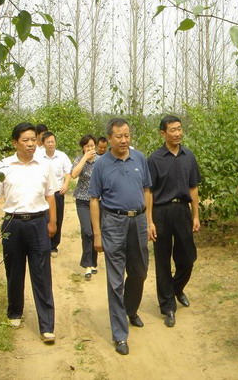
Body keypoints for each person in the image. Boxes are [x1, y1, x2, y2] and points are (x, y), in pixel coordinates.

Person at [0, 122, 58, 344]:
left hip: (38, 223)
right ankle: (14, 312)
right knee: (14, 271)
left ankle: (47, 326)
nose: (30, 144)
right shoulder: (3, 166)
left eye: (33, 140)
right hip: (12, 224)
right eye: (25, 140)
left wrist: (52, 222)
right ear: (15, 142)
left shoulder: (44, 165)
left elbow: (50, 195)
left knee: (42, 274)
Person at [89, 118, 155, 355]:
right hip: (114, 223)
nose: (124, 140)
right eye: (119, 136)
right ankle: (120, 335)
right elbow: (94, 200)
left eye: (127, 135)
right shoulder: (101, 165)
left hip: (138, 221)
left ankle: (130, 309)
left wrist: (149, 221)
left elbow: (147, 190)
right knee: (115, 281)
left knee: (140, 271)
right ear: (109, 138)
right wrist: (97, 234)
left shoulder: (140, 158)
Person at [148, 115, 201, 328]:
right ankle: (168, 306)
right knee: (162, 260)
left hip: (182, 211)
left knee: (188, 257)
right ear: (163, 133)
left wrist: (195, 215)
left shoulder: (189, 156)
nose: (177, 133)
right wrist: (149, 221)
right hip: (161, 212)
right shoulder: (154, 159)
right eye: (173, 130)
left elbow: (193, 187)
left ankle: (176, 288)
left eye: (179, 129)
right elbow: (149, 192)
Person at [71, 134, 99, 280]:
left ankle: (93, 262)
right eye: (87, 146)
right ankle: (87, 264)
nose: (90, 148)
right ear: (83, 148)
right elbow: (74, 174)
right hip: (82, 200)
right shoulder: (78, 160)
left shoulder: (101, 161)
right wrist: (84, 158)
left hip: (98, 201)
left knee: (95, 231)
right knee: (86, 231)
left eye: (92, 146)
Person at [41, 131, 72, 258]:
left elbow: (68, 171)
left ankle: (53, 246)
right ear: (43, 143)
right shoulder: (38, 156)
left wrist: (66, 184)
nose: (50, 144)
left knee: (57, 218)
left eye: (52, 141)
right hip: (43, 194)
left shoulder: (62, 156)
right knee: (43, 218)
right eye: (48, 142)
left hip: (57, 193)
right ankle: (43, 243)